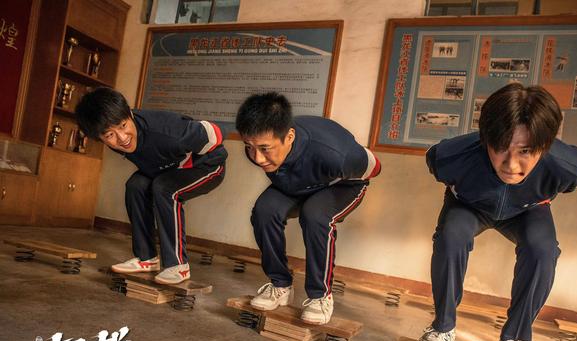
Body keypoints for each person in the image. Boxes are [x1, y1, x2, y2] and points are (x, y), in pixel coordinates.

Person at [419, 83, 577, 341]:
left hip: (528, 210)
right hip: (469, 205)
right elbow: (436, 162)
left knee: (543, 251)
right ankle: (442, 327)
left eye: (525, 151)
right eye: (500, 148)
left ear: (545, 145)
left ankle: (515, 340)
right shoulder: (450, 156)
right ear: (485, 139)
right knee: (451, 237)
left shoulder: (567, 166)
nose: (511, 165)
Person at [235, 92, 381, 325]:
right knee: (264, 211)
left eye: (265, 148)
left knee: (315, 216)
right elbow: (262, 155)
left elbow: (374, 167)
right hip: (299, 183)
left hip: (342, 186)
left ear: (289, 136)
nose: (258, 158)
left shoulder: (336, 155)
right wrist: (262, 151)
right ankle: (280, 285)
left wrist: (329, 180)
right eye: (250, 147)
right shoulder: (258, 148)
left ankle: (320, 296)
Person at [75, 87, 227, 284]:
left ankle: (178, 266)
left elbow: (215, 133)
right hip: (168, 167)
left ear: (130, 114)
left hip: (209, 167)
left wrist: (190, 162)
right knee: (135, 185)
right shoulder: (117, 140)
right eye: (110, 135)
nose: (122, 138)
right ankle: (146, 258)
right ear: (100, 138)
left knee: (165, 188)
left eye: (123, 126)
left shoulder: (168, 132)